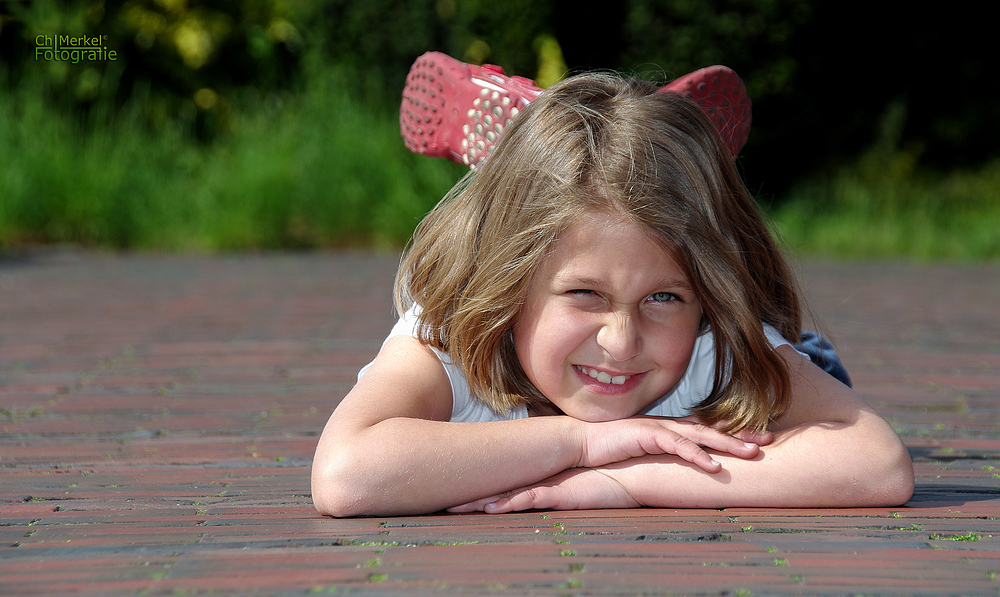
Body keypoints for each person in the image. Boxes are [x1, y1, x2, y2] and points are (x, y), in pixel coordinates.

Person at [311, 62, 914, 518]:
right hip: (510, 249)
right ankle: (588, 143)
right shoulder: (450, 331)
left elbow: (877, 464)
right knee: (588, 197)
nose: (621, 343)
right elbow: (345, 475)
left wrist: (628, 478)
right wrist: (582, 440)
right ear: (509, 284)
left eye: (663, 298)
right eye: (586, 295)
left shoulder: (713, 342)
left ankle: (631, 144)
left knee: (814, 365)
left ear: (703, 298)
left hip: (770, 343)